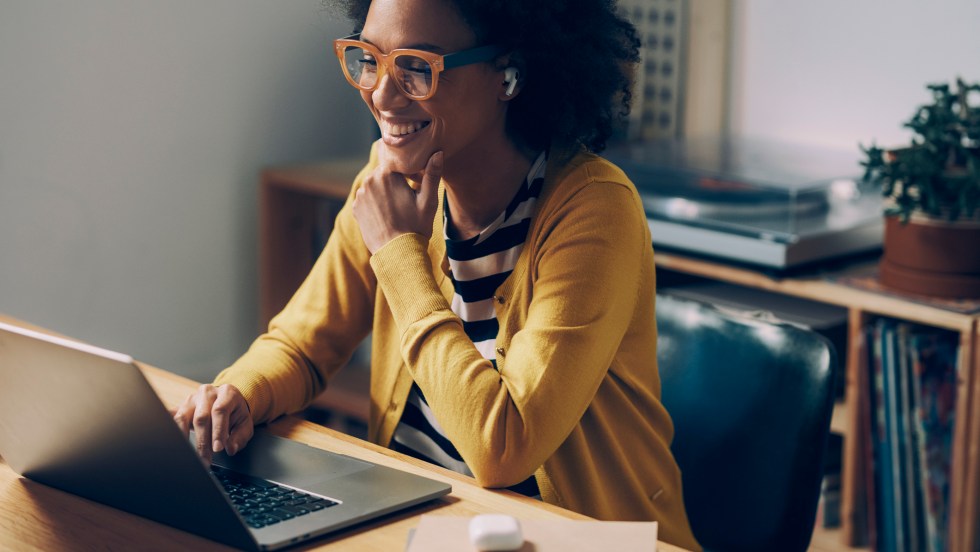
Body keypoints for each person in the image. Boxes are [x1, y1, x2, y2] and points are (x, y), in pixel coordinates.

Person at [173, 0, 699, 548]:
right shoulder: (384, 188)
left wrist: (399, 254)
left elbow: (503, 447)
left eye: (416, 67)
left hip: (584, 538)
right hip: (426, 522)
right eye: (369, 58)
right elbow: (302, 346)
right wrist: (239, 392)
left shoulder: (594, 210)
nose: (380, 93)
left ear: (509, 75)